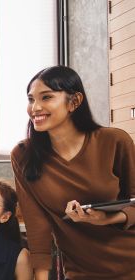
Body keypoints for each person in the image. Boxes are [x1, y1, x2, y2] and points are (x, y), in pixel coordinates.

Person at [11, 65, 135, 279]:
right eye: (31, 99)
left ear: (74, 102)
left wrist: (106, 218)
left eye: (46, 97)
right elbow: (36, 224)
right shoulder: (23, 155)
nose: (35, 107)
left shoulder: (114, 141)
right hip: (81, 270)